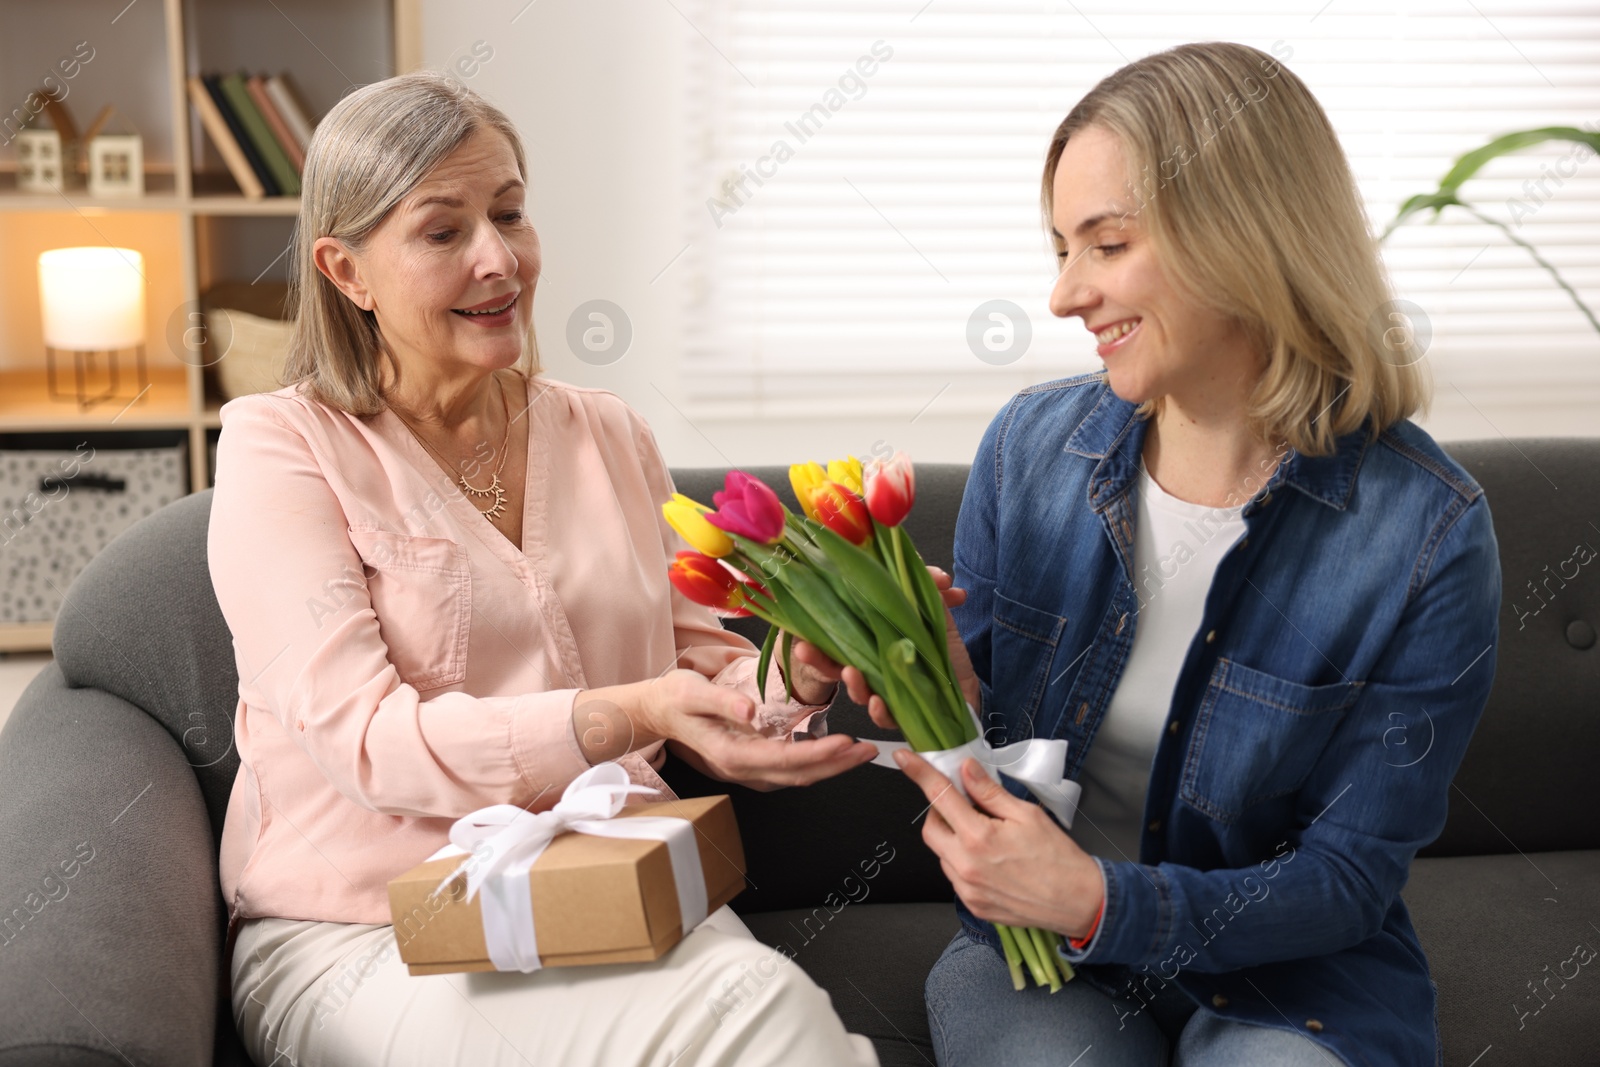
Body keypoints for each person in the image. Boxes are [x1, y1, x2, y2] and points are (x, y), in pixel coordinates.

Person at [818, 41, 1500, 1066]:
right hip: (1036, 955)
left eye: (1105, 244)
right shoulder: (1030, 451)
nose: (1062, 295)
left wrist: (1098, 896)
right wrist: (933, 687)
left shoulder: (1425, 530)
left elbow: (1348, 879)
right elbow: (989, 760)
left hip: (1298, 983)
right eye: (1060, 248)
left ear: (1243, 231)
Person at [207, 70, 883, 1067]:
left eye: (510, 214)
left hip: (612, 884)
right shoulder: (283, 446)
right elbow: (368, 743)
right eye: (443, 232)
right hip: (374, 932)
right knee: (752, 1015)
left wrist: (807, 667)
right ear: (345, 270)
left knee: (764, 1003)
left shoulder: (606, 432)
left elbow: (699, 664)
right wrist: (632, 713)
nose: (498, 258)